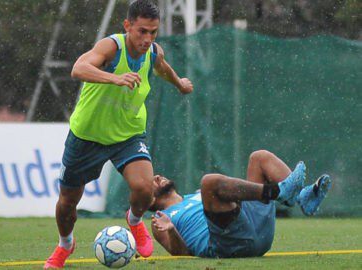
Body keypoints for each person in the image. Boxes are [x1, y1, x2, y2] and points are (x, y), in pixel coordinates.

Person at [44, 0, 193, 268]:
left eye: (153, 32)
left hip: (127, 134)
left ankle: (134, 221)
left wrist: (179, 83)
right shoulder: (111, 47)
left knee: (145, 189)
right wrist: (115, 77)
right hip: (87, 136)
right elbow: (78, 68)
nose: (148, 39)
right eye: (142, 31)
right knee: (67, 204)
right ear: (127, 26)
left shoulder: (152, 52)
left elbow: (161, 66)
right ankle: (65, 244)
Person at [150, 150, 331, 258]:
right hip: (231, 245)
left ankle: (302, 198)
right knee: (209, 182)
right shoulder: (161, 220)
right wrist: (171, 229)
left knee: (259, 157)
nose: (156, 176)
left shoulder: (194, 196)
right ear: (148, 199)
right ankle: (278, 192)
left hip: (254, 228)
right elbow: (182, 255)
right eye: (150, 181)